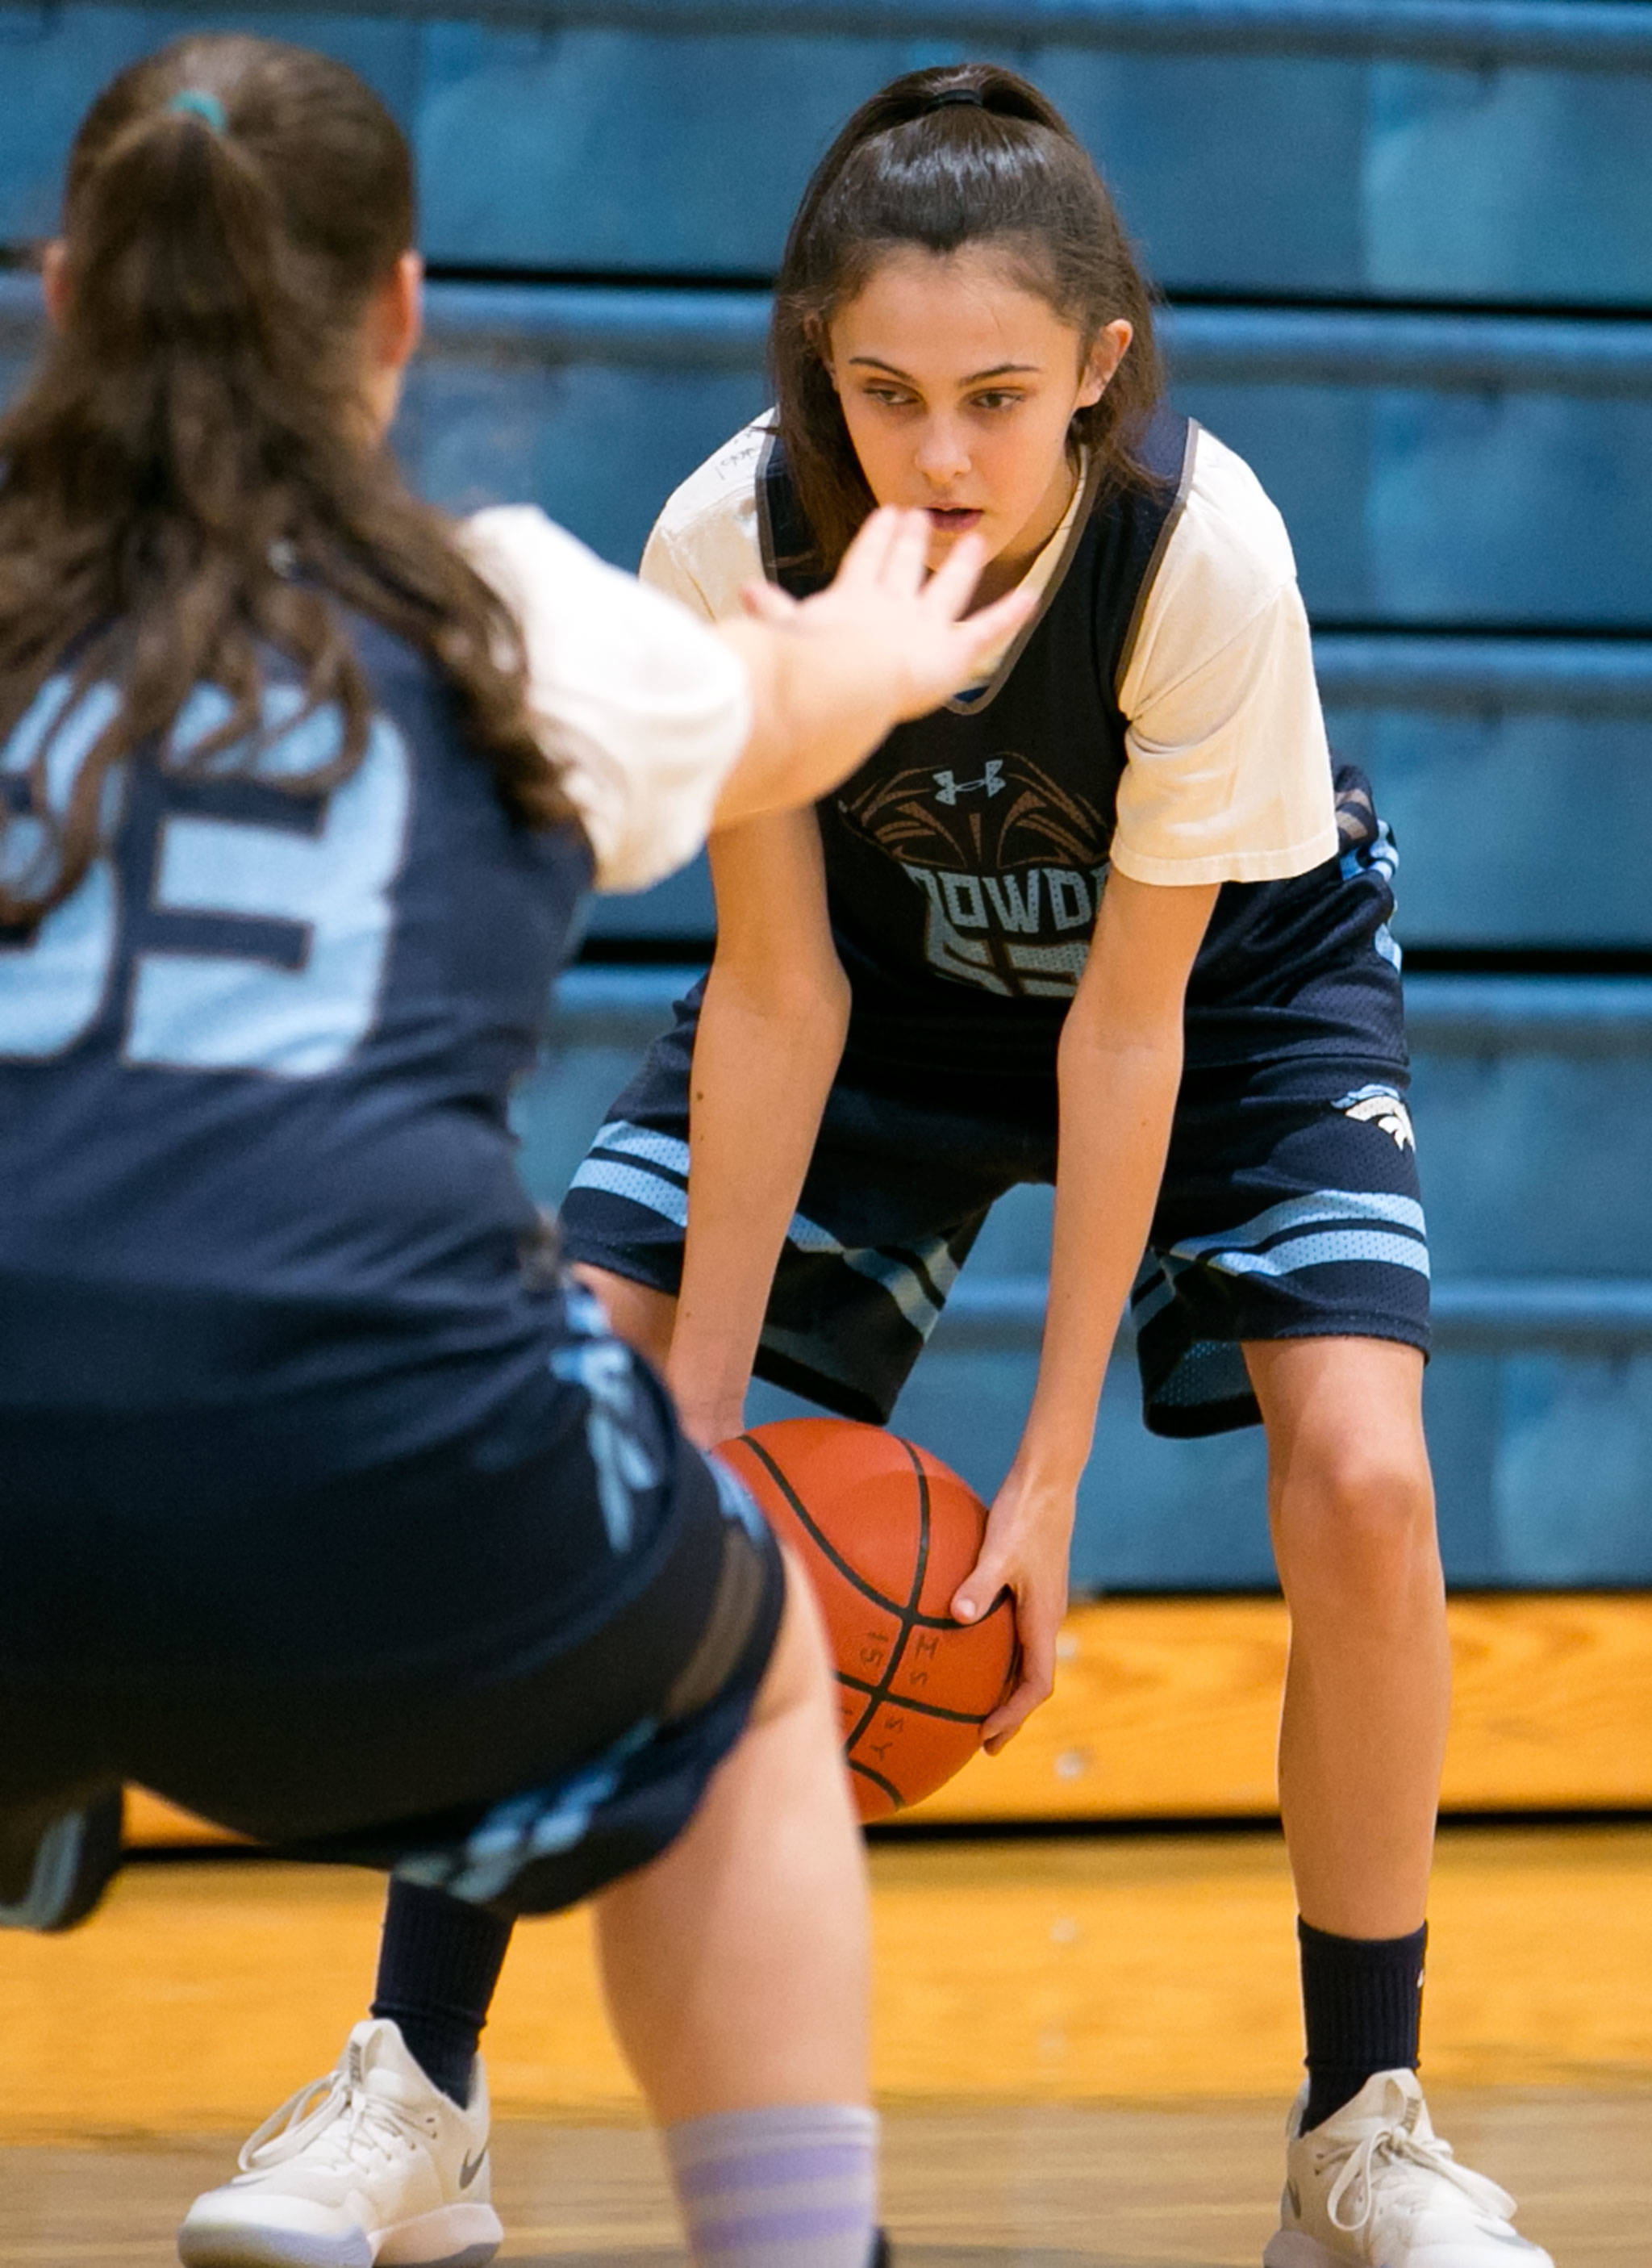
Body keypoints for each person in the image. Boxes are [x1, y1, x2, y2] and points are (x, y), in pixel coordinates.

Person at [285, 61, 1556, 2268]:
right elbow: (777, 991)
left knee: (1363, 1473)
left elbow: (1130, 1026)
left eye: (995, 395)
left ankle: (1366, 2116)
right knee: (568, 1379)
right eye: (885, 392)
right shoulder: (730, 535)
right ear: (816, 362)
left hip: (1220, 988)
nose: (942, 454)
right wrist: (674, 1427)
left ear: (1098, 373)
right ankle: (415, 2081)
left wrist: (1049, 1475)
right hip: (874, 979)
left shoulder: (1201, 548)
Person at [0, 36, 1035, 2268]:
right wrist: (853, 631)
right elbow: (796, 709)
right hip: (360, 1443)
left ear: (70, 291)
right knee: (760, 1672)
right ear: (398, 316)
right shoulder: (506, 614)